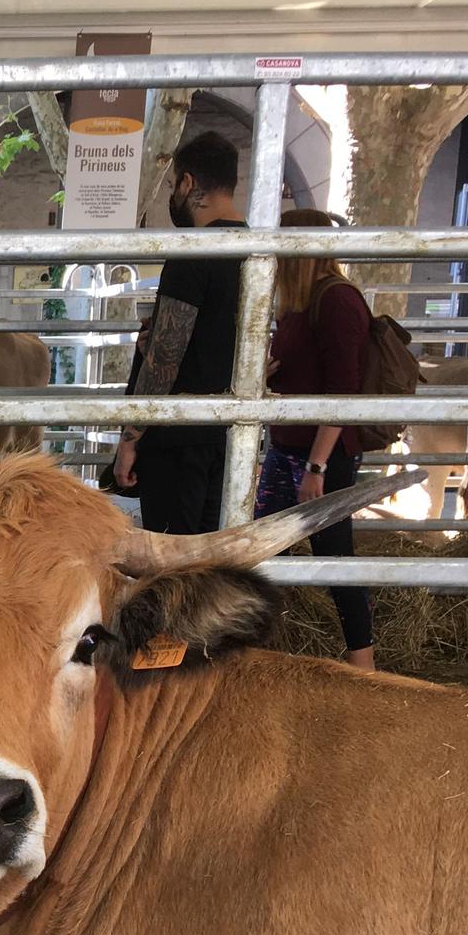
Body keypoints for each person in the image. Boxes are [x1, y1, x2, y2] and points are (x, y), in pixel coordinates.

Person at [259, 207, 376, 670]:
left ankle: (363, 661)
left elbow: (343, 390)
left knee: (334, 555)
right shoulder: (297, 305)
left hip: (321, 455)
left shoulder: (338, 300)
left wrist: (317, 466)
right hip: (285, 448)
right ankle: (257, 648)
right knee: (262, 545)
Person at [113, 130, 247, 534]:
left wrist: (131, 438)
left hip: (178, 438)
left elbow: (166, 357)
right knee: (210, 562)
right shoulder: (256, 250)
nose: (173, 194)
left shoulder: (193, 251)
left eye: (173, 184)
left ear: (189, 183)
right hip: (229, 435)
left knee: (173, 565)